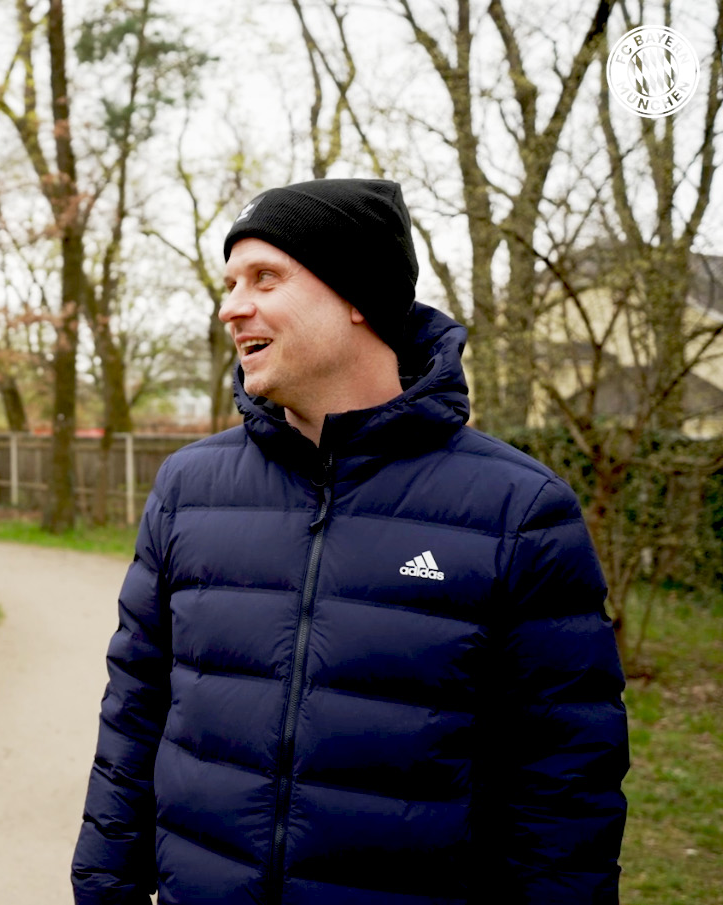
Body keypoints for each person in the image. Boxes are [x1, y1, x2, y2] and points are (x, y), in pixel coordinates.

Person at [71, 178, 628, 903]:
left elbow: (565, 786)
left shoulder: (517, 510)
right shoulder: (188, 489)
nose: (231, 305)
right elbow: (133, 714)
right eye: (230, 281)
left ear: (359, 295)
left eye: (265, 277)